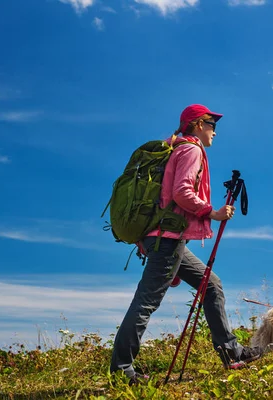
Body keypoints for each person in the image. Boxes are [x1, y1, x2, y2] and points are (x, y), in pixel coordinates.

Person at [109, 104, 263, 384]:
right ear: (197, 124)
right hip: (169, 239)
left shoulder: (175, 150)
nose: (215, 130)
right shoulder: (191, 150)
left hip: (165, 237)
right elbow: (182, 193)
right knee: (146, 301)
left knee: (211, 284)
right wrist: (212, 212)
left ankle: (232, 353)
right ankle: (121, 370)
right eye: (211, 124)